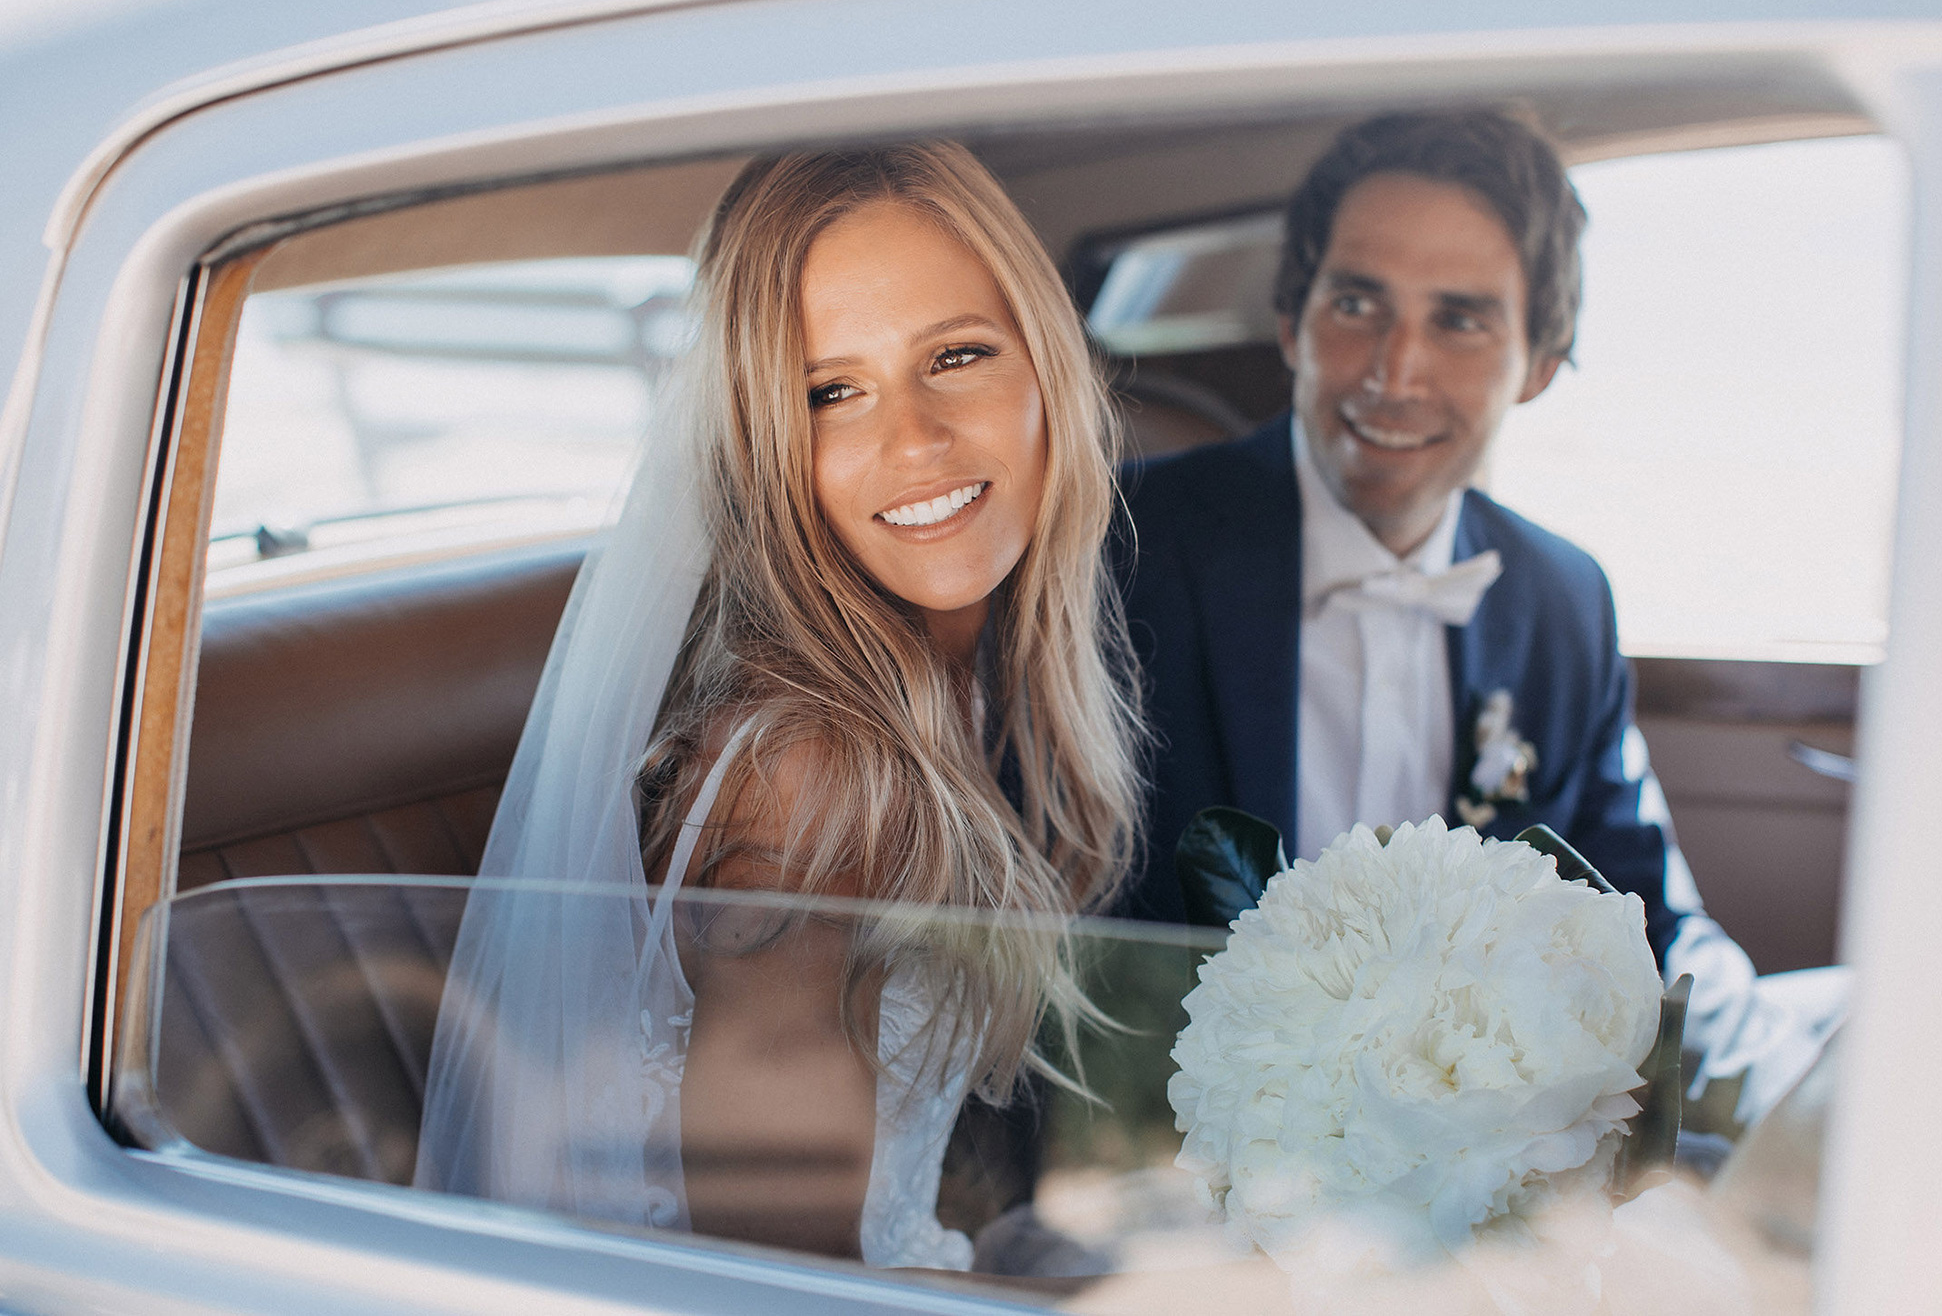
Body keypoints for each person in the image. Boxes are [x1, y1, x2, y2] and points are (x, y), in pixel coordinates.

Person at [415, 143, 1142, 1267]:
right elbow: (782, 1284)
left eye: (955, 355)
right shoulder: (809, 773)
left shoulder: (958, 677)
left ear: (1047, 365)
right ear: (765, 445)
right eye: (830, 391)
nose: (913, 438)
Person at [1116, 108, 1841, 1126]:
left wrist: (1786, 1095)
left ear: (1538, 364)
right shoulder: (1123, 545)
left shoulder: (1560, 600)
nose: (1393, 370)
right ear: (1292, 322)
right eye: (1356, 302)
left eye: (1457, 319)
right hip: (1158, 1136)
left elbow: (1644, 923)